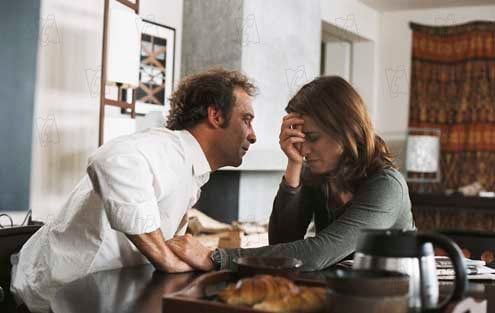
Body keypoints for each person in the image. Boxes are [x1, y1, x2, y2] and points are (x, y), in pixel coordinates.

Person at [10, 68, 257, 312]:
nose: (253, 135)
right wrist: (165, 257)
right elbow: (111, 159)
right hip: (51, 300)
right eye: (246, 120)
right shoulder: (171, 148)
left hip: (89, 297)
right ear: (215, 115)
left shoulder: (189, 169)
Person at [167, 76, 415, 272]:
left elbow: (319, 253)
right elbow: (282, 241)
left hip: (391, 301)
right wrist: (294, 165)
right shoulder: (320, 176)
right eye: (300, 138)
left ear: (346, 131)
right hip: (343, 296)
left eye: (313, 138)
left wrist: (216, 257)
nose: (304, 149)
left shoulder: (387, 186)